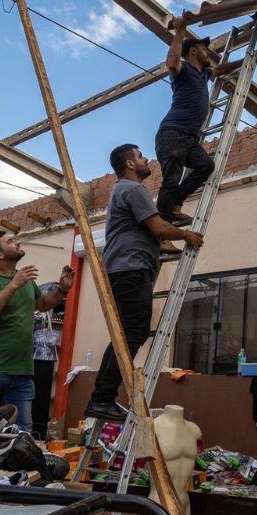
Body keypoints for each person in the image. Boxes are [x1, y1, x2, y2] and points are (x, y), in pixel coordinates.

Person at [85, 143, 204, 420]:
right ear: (129, 164)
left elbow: (151, 231)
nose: (146, 159)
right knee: (133, 333)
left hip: (127, 267)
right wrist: (186, 235)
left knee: (129, 333)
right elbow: (157, 227)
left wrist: (164, 243)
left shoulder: (123, 191)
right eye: (140, 156)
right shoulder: (133, 189)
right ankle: (101, 398)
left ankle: (101, 398)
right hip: (130, 268)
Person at [0, 230, 75, 432]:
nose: (17, 242)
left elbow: (42, 304)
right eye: (10, 241)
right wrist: (14, 285)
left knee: (21, 434)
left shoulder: (25, 281)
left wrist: (62, 289)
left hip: (21, 372)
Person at [156, 12, 216, 225]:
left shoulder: (203, 74)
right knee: (171, 181)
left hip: (189, 137)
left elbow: (220, 70)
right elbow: (172, 63)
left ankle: (174, 204)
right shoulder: (183, 69)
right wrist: (180, 30)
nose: (207, 51)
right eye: (203, 48)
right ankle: (161, 233)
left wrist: (246, 61)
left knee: (206, 166)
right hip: (173, 133)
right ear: (193, 50)